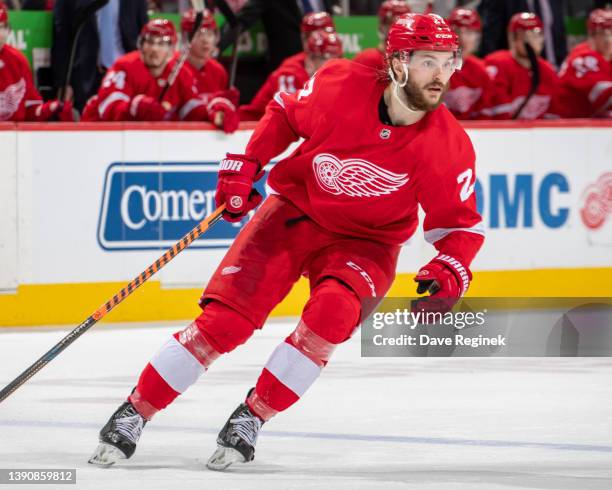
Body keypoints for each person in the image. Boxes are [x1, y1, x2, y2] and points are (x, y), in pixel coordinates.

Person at [88, 13, 484, 470]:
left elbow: (459, 226)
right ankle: (135, 410)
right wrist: (248, 161)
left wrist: (452, 266)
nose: (440, 75)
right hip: (293, 214)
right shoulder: (340, 84)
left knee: (332, 315)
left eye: (448, 62)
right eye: (427, 62)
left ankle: (251, 417)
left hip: (367, 244)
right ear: (397, 62)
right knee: (225, 323)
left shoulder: (448, 144)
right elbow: (283, 114)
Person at [81, 19, 231, 124]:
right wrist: (135, 107)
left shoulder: (180, 72)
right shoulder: (125, 66)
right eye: (150, 42)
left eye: (162, 44)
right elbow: (109, 106)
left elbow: (190, 108)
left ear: (172, 50)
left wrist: (214, 112)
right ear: (141, 45)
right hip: (99, 138)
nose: (154, 48)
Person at [52, 0, 148, 111]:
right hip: (85, 78)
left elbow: (143, 36)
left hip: (124, 77)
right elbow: (61, 40)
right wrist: (63, 82)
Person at [239, 28, 342, 120]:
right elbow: (292, 122)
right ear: (309, 59)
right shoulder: (290, 75)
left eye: (337, 58)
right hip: (251, 126)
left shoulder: (342, 76)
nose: (332, 64)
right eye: (323, 58)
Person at [0, 2, 74, 121]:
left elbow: (32, 109)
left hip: (15, 136)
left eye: (2, 27)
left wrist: (50, 108)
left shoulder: (17, 60)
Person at [482, 12, 560, 119]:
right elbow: (499, 114)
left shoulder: (548, 71)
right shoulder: (497, 64)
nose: (532, 41)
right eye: (526, 36)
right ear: (512, 38)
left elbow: (555, 114)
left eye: (537, 36)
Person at [180, 8, 240, 133]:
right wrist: (217, 100)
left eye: (210, 33)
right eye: (199, 33)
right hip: (180, 136)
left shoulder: (218, 70)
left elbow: (222, 117)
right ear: (186, 37)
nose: (206, 40)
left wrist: (227, 105)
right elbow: (185, 112)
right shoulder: (175, 68)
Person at [557, 8, 612, 118]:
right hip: (566, 127)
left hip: (589, 126)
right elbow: (603, 96)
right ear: (591, 35)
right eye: (602, 33)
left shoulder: (607, 58)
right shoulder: (582, 57)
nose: (608, 39)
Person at [443, 7, 493, 119]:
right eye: (457, 32)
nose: (462, 39)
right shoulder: (436, 69)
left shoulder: (481, 70)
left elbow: (484, 114)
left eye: (469, 33)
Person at [353, 0, 411, 72]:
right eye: (392, 23)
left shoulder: (416, 60)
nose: (398, 30)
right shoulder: (367, 59)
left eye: (404, 25)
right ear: (382, 26)